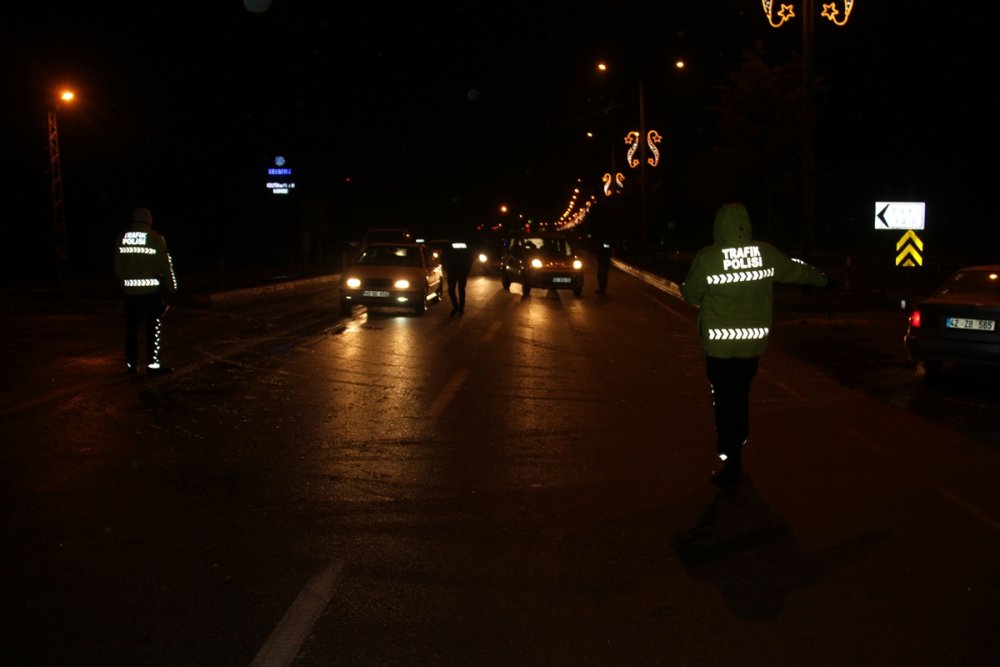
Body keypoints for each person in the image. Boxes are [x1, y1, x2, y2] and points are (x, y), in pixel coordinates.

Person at [680, 202, 831, 488]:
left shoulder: (708, 258)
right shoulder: (766, 253)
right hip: (751, 348)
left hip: (719, 351)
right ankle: (738, 444)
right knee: (740, 396)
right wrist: (824, 279)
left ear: (718, 226)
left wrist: (689, 289)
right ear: (746, 224)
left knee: (724, 402)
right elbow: (795, 270)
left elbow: (690, 295)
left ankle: (731, 459)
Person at [113, 207, 178, 376]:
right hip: (151, 293)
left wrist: (125, 284)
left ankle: (132, 364)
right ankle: (153, 364)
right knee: (153, 329)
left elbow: (117, 268)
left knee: (132, 330)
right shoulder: (156, 239)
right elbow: (165, 266)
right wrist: (172, 288)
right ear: (149, 220)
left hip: (130, 295)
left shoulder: (122, 238)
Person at [441, 237, 474, 315]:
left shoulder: (449, 246)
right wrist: (467, 270)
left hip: (452, 272)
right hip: (462, 272)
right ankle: (461, 308)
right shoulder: (465, 246)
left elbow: (443, 258)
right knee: (461, 290)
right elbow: (470, 258)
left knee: (451, 290)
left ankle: (456, 307)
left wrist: (446, 269)